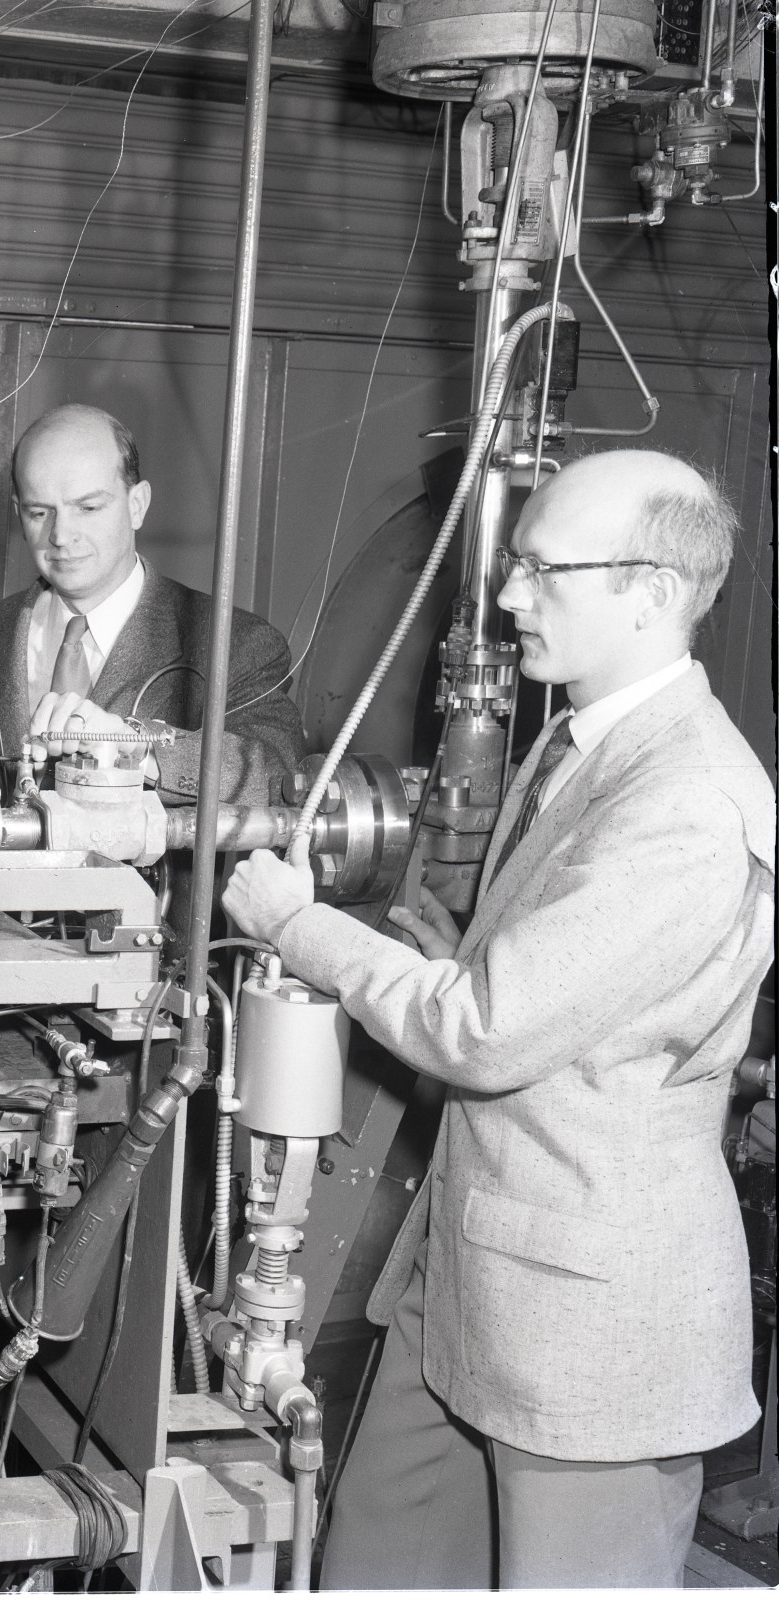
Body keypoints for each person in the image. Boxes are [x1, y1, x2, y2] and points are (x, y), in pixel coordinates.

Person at [222, 449, 774, 1589]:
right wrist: (451, 953)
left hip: (588, 1320)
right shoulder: (579, 740)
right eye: (514, 564)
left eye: (541, 570)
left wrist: (297, 924)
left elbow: (481, 1028)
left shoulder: (684, 799)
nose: (510, 597)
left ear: (651, 591)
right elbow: (540, 982)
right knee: (374, 1570)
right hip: (468, 1272)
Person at [0, 404, 304, 802]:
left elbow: (278, 777)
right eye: (40, 512)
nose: (60, 535)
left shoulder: (234, 642)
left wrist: (132, 747)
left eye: (88, 507)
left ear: (137, 504)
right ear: (19, 512)